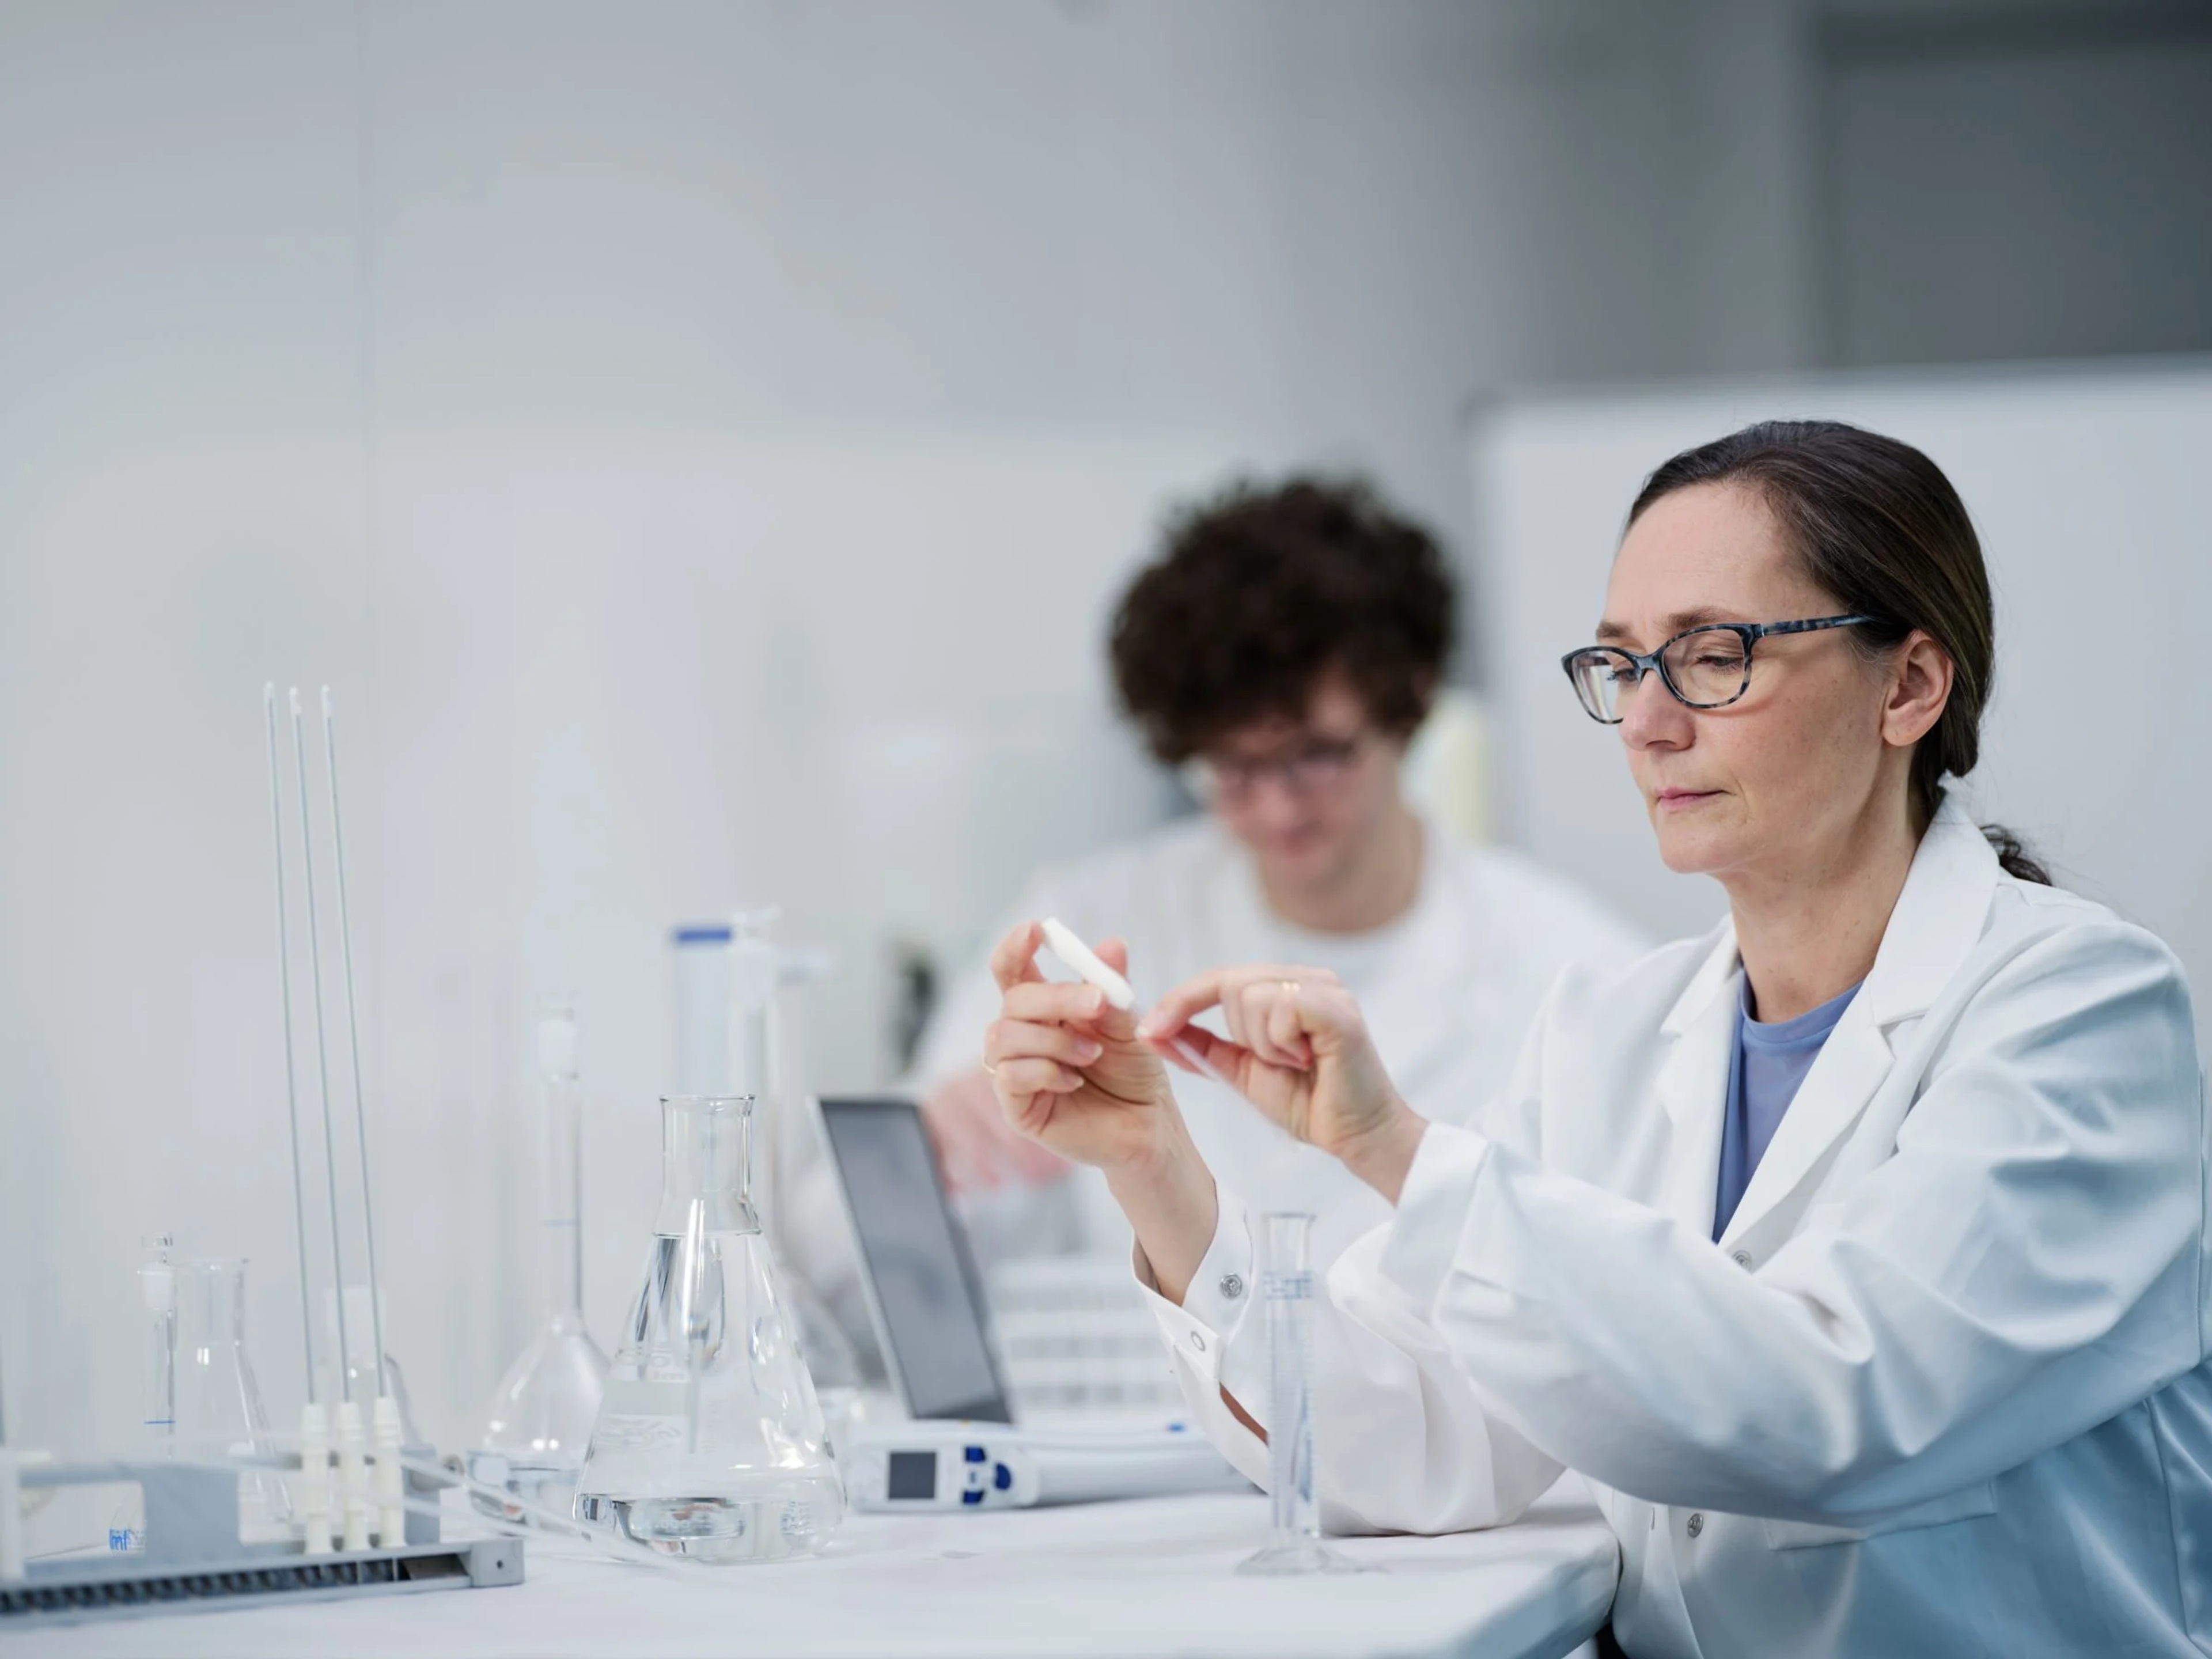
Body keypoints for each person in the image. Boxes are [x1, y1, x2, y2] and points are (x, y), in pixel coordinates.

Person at [981, 421, 2209, 1656]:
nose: (1647, 722)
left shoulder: (2075, 1010)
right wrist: (1155, 1166)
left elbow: (1837, 1408)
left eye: (1714, 656)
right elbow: (1417, 1439)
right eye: (1624, 665)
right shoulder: (1608, 1035)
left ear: (1909, 687)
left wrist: (1397, 1147)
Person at [912, 474, 1645, 1272]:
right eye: (1235, 768)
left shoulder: (1577, 971)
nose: (1276, 807)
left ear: (1410, 704)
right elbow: (872, 1264)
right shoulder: (1087, 924)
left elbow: (1610, 1286)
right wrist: (941, 1152)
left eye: (1317, 756)